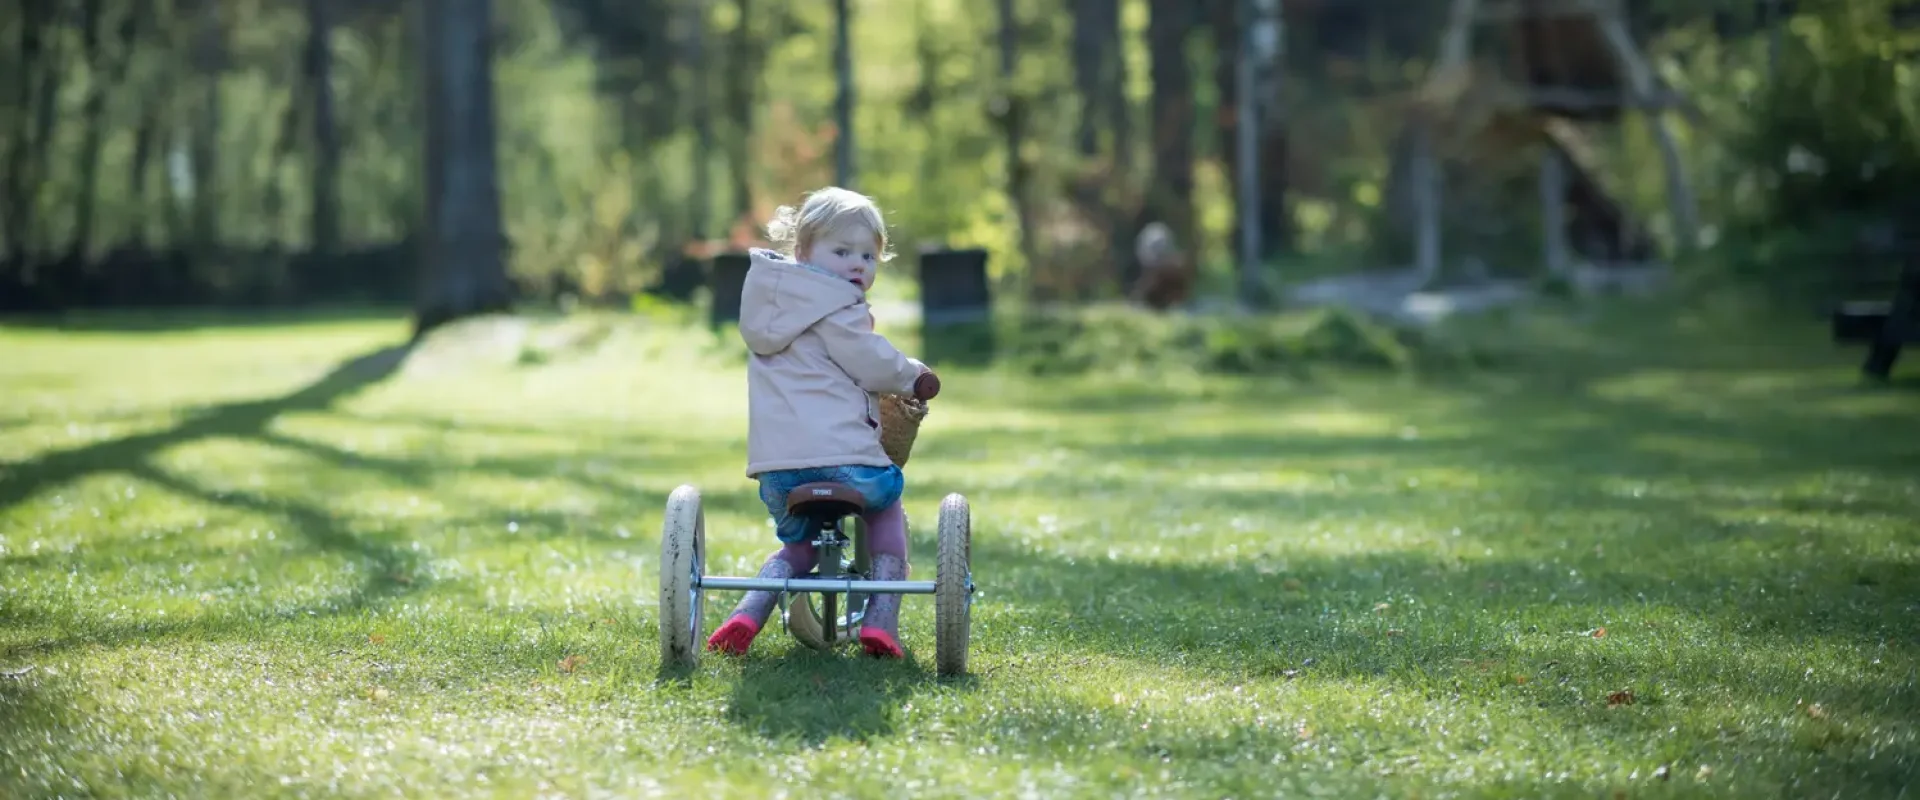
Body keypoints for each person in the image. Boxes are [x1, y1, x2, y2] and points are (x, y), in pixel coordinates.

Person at [705, 186, 940, 659]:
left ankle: (748, 612)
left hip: (778, 472)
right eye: (842, 252)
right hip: (847, 464)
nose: (858, 265)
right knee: (887, 502)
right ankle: (881, 618)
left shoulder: (770, 309)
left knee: (801, 544)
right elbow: (872, 363)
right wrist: (914, 376)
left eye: (868, 256)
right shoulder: (836, 306)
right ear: (803, 252)